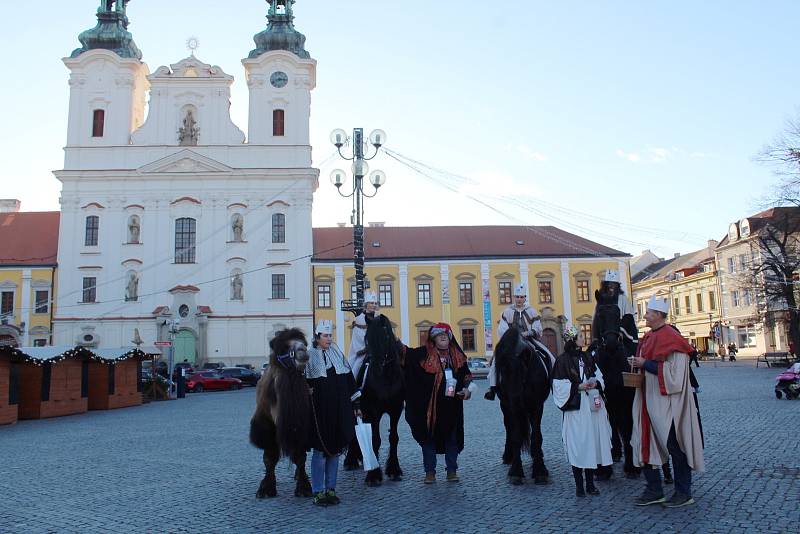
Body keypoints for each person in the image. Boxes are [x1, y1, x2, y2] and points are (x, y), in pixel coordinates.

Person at [631, 295, 705, 508]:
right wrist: (637, 364)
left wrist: (645, 363)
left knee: (675, 446)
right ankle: (654, 490)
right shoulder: (647, 338)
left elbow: (676, 375)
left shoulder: (672, 338)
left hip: (668, 403)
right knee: (644, 442)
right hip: (648, 399)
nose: (644, 315)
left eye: (648, 312)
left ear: (658, 315)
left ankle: (683, 491)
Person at [403, 323, 473, 483]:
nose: (443, 337)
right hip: (429, 409)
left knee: (452, 439)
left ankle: (452, 471)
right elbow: (405, 354)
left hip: (452, 406)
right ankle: (430, 472)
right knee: (428, 440)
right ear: (433, 338)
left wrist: (468, 390)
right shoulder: (423, 354)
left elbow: (467, 377)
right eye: (439, 335)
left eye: (445, 335)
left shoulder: (457, 355)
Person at [552, 324, 613, 497]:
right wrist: (577, 386)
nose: (582, 338)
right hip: (576, 409)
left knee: (591, 444)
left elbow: (598, 374)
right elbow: (557, 385)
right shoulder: (562, 360)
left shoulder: (587, 357)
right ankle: (579, 486)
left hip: (591, 407)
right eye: (579, 335)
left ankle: (591, 484)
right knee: (578, 445)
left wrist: (596, 382)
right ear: (572, 339)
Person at [305, 320, 360, 507]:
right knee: (320, 453)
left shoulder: (337, 353)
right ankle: (318, 491)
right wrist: (306, 389)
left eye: (330, 335)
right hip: (319, 413)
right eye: (325, 336)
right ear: (317, 337)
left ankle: (331, 489)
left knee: (335, 452)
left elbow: (349, 380)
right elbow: (299, 380)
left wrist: (356, 404)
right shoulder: (309, 356)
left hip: (339, 410)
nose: (329, 339)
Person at [591, 269, 639, 480]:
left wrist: (620, 332)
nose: (611, 287)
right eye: (608, 284)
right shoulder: (601, 300)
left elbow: (629, 322)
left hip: (621, 337)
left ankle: (638, 378)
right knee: (588, 359)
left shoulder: (623, 299)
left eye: (613, 284)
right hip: (604, 339)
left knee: (635, 355)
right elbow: (596, 323)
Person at [485, 284, 547, 400]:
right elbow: (502, 329)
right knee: (496, 361)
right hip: (511, 343)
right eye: (517, 297)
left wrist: (529, 333)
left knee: (547, 354)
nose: (519, 299)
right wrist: (513, 336)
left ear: (525, 298)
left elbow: (537, 327)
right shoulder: (507, 312)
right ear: (514, 297)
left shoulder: (531, 311)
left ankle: (551, 379)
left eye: (521, 297)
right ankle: (492, 388)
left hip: (529, 339)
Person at [347, 291, 381, 380]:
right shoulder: (359, 320)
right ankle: (353, 385)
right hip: (365, 351)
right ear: (366, 304)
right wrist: (369, 347)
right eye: (371, 303)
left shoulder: (379, 319)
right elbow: (359, 338)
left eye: (375, 303)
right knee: (358, 365)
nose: (373, 305)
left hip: (377, 350)